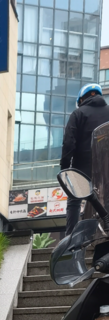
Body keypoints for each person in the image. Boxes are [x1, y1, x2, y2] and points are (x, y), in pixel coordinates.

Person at [61, 83, 109, 236]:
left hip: (82, 168)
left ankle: (71, 236)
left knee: (74, 200)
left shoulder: (78, 113)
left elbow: (69, 143)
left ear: (81, 99)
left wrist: (65, 169)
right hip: (106, 168)